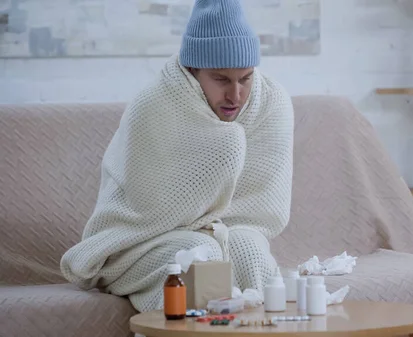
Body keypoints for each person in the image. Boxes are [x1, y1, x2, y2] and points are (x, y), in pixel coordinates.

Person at [59, 0, 294, 313]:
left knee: (248, 248)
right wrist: (223, 149)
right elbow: (146, 211)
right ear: (192, 71)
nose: (235, 95)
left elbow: (260, 209)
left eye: (245, 78)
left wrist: (219, 231)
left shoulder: (271, 103)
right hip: (137, 243)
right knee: (199, 254)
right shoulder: (153, 106)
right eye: (221, 79)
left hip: (227, 232)